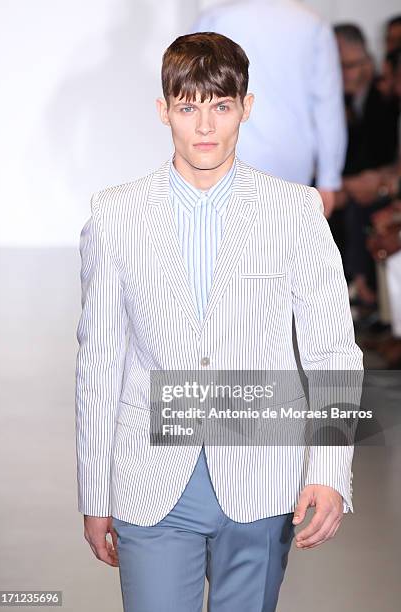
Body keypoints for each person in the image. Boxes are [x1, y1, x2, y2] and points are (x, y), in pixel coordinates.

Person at [75, 32, 364, 612]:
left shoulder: (294, 211)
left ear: (245, 108)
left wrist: (331, 468)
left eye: (220, 106)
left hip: (262, 471)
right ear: (164, 112)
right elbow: (100, 357)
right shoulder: (116, 214)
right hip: (151, 474)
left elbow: (332, 346)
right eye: (188, 107)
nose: (205, 127)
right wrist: (93, 488)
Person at [189, 0, 347, 218]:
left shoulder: (214, 20)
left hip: (228, 159)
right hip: (293, 162)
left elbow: (193, 96)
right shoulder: (312, 24)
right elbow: (327, 106)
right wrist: (329, 179)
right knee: (282, 246)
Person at [331, 24, 399, 307]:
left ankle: (370, 299)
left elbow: (383, 157)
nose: (344, 74)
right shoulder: (341, 102)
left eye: (350, 65)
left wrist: (383, 182)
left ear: (369, 62)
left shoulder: (385, 100)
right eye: (337, 67)